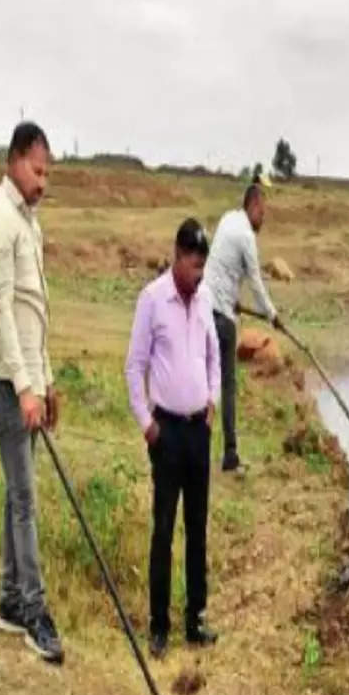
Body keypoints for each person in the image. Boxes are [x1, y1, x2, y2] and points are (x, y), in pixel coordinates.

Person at [0, 122, 64, 664]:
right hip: (5, 385)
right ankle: (35, 612)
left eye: (47, 171)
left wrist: (47, 380)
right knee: (26, 499)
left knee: (17, 496)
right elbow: (0, 312)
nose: (43, 181)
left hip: (27, 381)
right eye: (36, 170)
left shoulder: (28, 222)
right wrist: (25, 386)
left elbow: (36, 313)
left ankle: (9, 603)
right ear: (13, 161)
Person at [125, 219, 221, 657]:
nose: (198, 274)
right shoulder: (152, 299)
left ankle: (195, 620)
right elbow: (134, 366)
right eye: (193, 264)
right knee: (164, 529)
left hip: (198, 431)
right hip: (166, 432)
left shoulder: (205, 300)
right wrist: (147, 423)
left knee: (197, 528)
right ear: (177, 256)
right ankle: (159, 626)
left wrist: (213, 401)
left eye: (203, 266)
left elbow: (215, 356)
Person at [201, 182, 282, 474]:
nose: (264, 217)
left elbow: (220, 265)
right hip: (221, 317)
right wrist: (272, 316)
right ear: (254, 206)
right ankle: (230, 455)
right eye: (263, 211)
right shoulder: (247, 236)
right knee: (227, 385)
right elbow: (256, 283)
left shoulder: (227, 219)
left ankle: (198, 449)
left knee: (203, 380)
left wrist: (232, 298)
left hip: (203, 307)